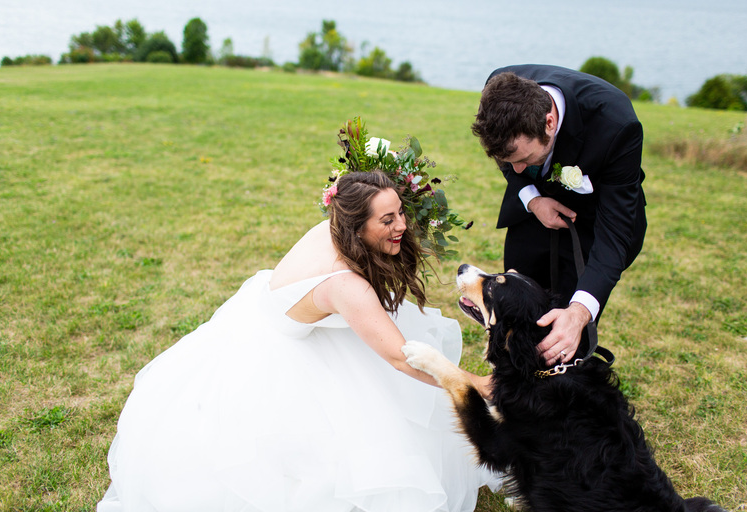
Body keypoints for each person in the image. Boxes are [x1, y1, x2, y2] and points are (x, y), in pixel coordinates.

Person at [96, 122, 499, 512]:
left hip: (270, 312)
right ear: (358, 226)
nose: (402, 226)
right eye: (388, 220)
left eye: (400, 213)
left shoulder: (335, 226)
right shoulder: (346, 287)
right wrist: (477, 385)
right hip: (277, 349)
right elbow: (400, 357)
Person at [471, 64, 647, 367]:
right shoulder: (498, 92)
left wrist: (579, 312)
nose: (516, 169)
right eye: (508, 160)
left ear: (549, 122)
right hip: (533, 215)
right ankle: (507, 381)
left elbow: (615, 232)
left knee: (565, 329)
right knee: (515, 306)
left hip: (595, 224)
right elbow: (512, 162)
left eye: (524, 158)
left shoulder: (617, 125)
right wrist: (532, 198)